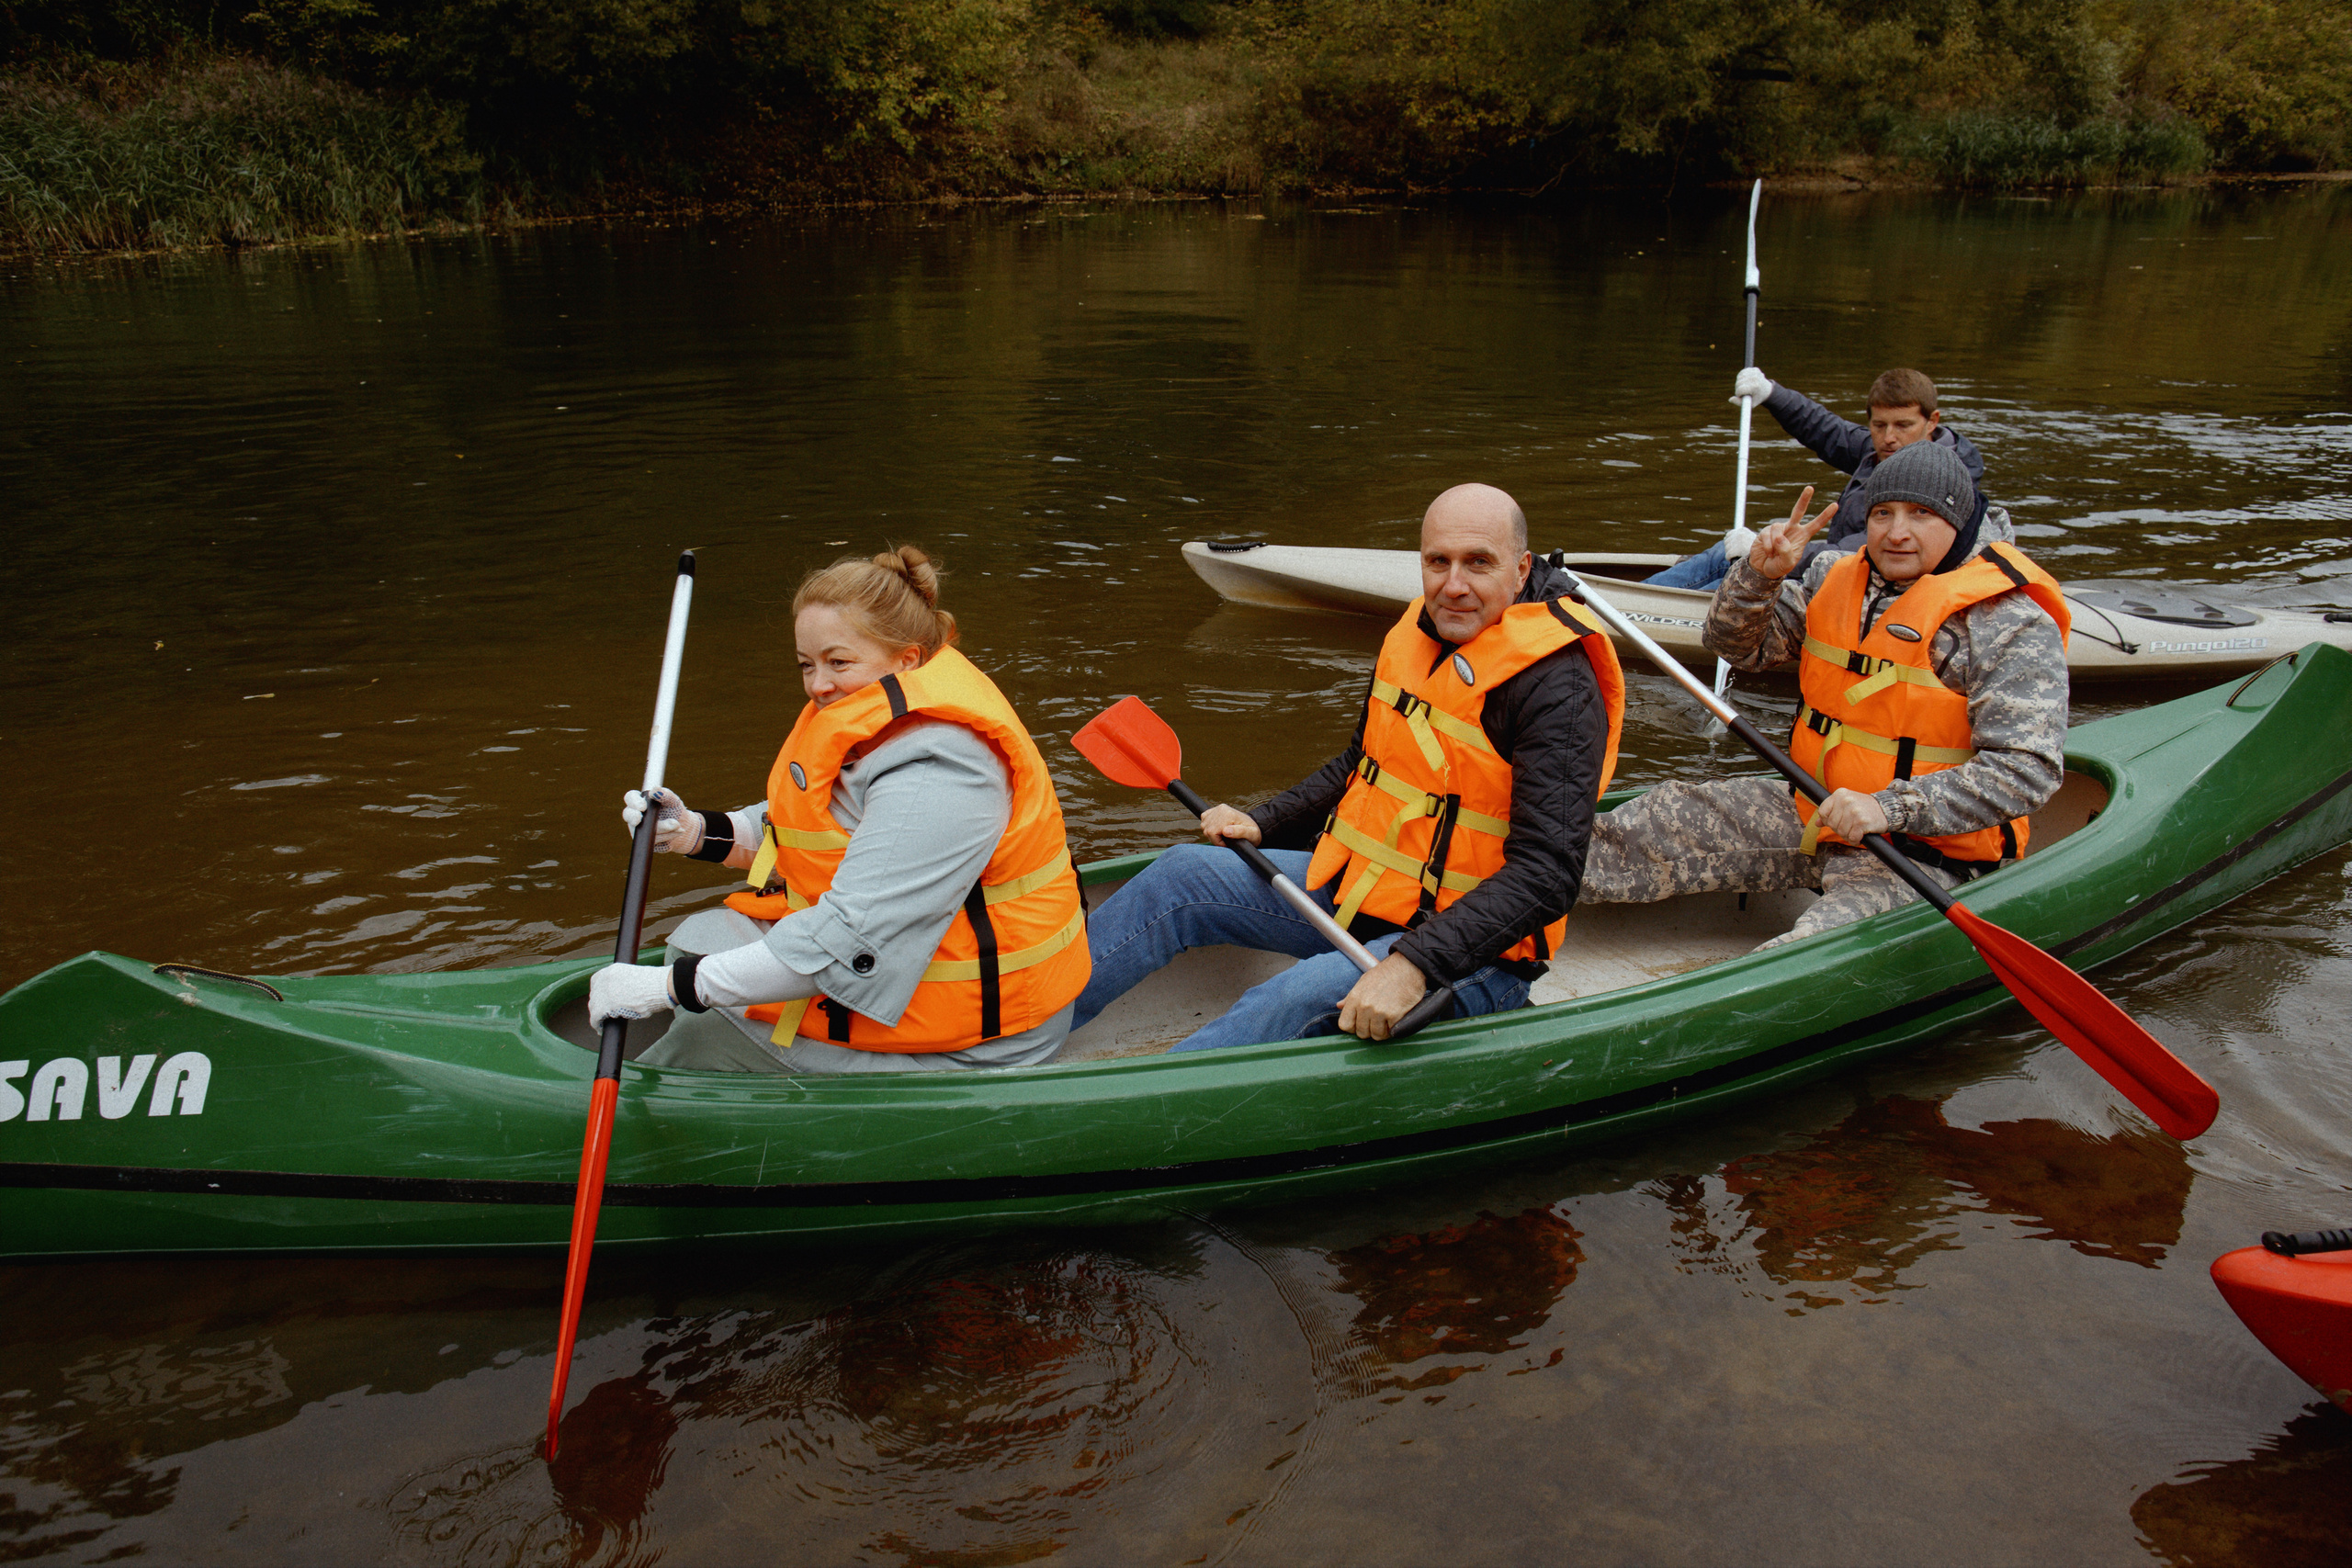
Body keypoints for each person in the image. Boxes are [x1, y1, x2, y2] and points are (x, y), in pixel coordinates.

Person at [1075, 483, 1625, 1052]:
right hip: (1369, 899)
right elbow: (1362, 764)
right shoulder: (1417, 632)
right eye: (1438, 562)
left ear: (1520, 570)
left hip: (1476, 953)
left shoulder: (1558, 686)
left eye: (1478, 563)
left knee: (1288, 999)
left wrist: (1412, 965)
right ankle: (1015, 1036)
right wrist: (1264, 822)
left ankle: (1140, 1115)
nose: (1453, 585)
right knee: (1181, 875)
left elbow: (1548, 875)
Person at [586, 547, 1091, 1073]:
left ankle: (662, 1099)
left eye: (838, 662)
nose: (818, 685)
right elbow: (813, 831)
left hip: (979, 1041)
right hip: (919, 988)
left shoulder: (940, 772)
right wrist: (695, 832)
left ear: (908, 659)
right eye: (807, 664)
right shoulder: (878, 722)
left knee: (707, 1001)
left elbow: (846, 940)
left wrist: (671, 989)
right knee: (703, 940)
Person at [1587, 440, 2070, 946]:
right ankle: (1503, 890)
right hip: (1811, 807)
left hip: (1923, 853)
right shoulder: (1834, 577)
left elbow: (2027, 770)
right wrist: (1758, 579)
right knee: (1651, 823)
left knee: (1809, 952)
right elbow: (1736, 647)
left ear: (1959, 523)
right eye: (1883, 513)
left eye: (1921, 514)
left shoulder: (2008, 622)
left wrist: (1891, 808)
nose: (1897, 532)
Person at [1647, 367, 1986, 592]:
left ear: (1932, 421)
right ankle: (1637, 598)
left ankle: (1629, 614)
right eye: (1879, 425)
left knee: (1730, 579)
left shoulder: (1947, 482)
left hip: (1861, 579)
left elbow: (1866, 552)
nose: (1888, 437)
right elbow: (1828, 430)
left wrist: (1777, 551)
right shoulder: (1884, 451)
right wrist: (1772, 394)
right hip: (1831, 563)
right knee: (1722, 553)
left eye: (1902, 426)